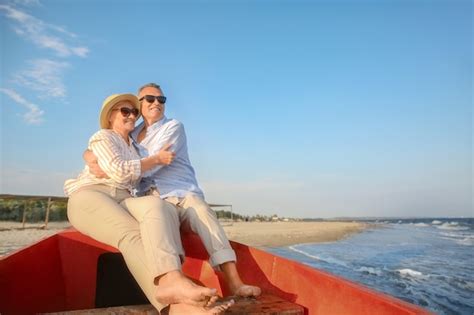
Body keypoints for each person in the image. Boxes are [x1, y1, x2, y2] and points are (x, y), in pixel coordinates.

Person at [85, 83, 261, 298]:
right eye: (149, 99)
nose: (156, 103)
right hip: (152, 198)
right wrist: (91, 154)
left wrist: (112, 166)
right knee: (156, 217)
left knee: (202, 212)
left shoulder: (173, 127)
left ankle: (235, 283)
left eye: (161, 100)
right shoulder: (132, 133)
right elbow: (109, 143)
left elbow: (156, 162)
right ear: (139, 105)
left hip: (181, 193)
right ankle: (175, 282)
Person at [65, 93, 233, 315]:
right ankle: (177, 304)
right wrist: (154, 160)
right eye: (125, 111)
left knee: (158, 206)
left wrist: (109, 160)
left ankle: (173, 283)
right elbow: (120, 171)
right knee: (132, 235)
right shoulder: (103, 137)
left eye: (134, 112)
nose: (131, 115)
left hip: (124, 198)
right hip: (92, 194)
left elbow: (130, 172)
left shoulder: (135, 146)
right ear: (109, 117)